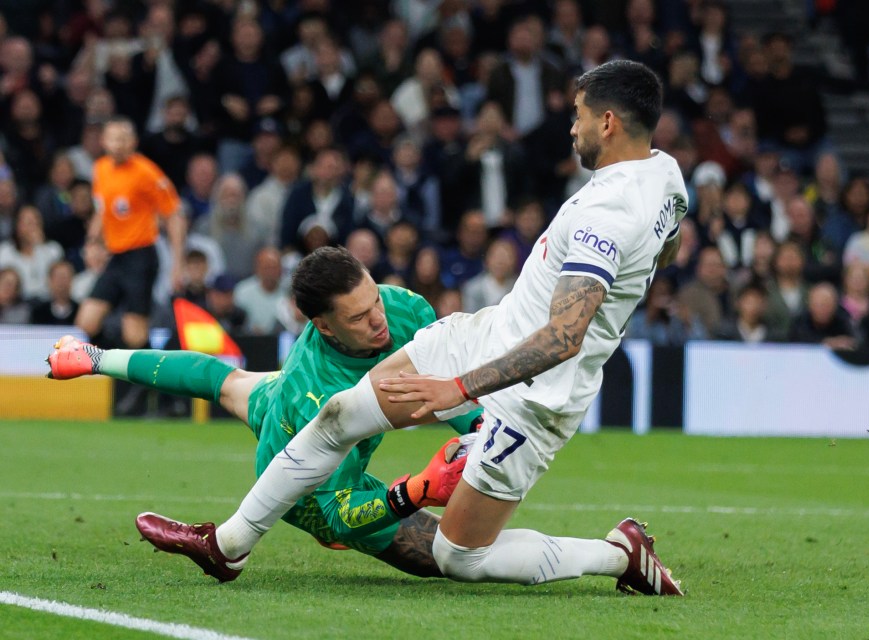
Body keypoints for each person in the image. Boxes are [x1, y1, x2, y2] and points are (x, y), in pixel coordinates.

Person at [132, 60, 686, 597]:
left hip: (533, 398)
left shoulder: (608, 215)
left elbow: (564, 337)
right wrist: (632, 278)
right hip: (485, 335)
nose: (573, 127)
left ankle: (620, 554)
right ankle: (227, 546)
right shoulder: (664, 173)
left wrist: (459, 390)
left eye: (579, 115)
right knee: (341, 413)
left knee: (458, 558)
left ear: (608, 123)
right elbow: (667, 241)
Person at [47, 247, 480, 578]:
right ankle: (229, 545)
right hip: (311, 484)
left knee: (225, 382)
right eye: (360, 316)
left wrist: (476, 428)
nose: (379, 321)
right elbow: (340, 516)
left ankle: (93, 357)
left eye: (375, 302)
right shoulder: (317, 399)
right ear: (323, 326)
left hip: (274, 393)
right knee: (452, 558)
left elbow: (443, 376)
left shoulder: (406, 309)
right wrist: (416, 490)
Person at [76, 116, 185, 351]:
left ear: (134, 142)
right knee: (87, 322)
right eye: (114, 138)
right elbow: (102, 211)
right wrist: (92, 243)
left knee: (135, 336)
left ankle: (147, 382)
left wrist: (177, 263)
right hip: (116, 256)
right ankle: (117, 362)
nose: (119, 144)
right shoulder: (101, 169)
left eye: (124, 138)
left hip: (141, 256)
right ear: (104, 141)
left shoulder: (146, 172)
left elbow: (174, 215)